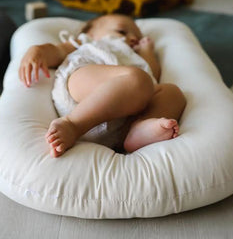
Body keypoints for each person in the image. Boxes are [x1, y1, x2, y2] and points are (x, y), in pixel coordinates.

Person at [18, 14, 187, 157]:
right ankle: (72, 124)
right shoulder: (85, 41)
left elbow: (152, 76)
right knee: (138, 80)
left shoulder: (137, 58)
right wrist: (38, 51)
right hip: (82, 88)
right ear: (91, 33)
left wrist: (146, 52)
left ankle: (139, 129)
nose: (133, 38)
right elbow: (57, 51)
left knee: (172, 92)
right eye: (122, 31)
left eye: (137, 37)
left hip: (122, 122)